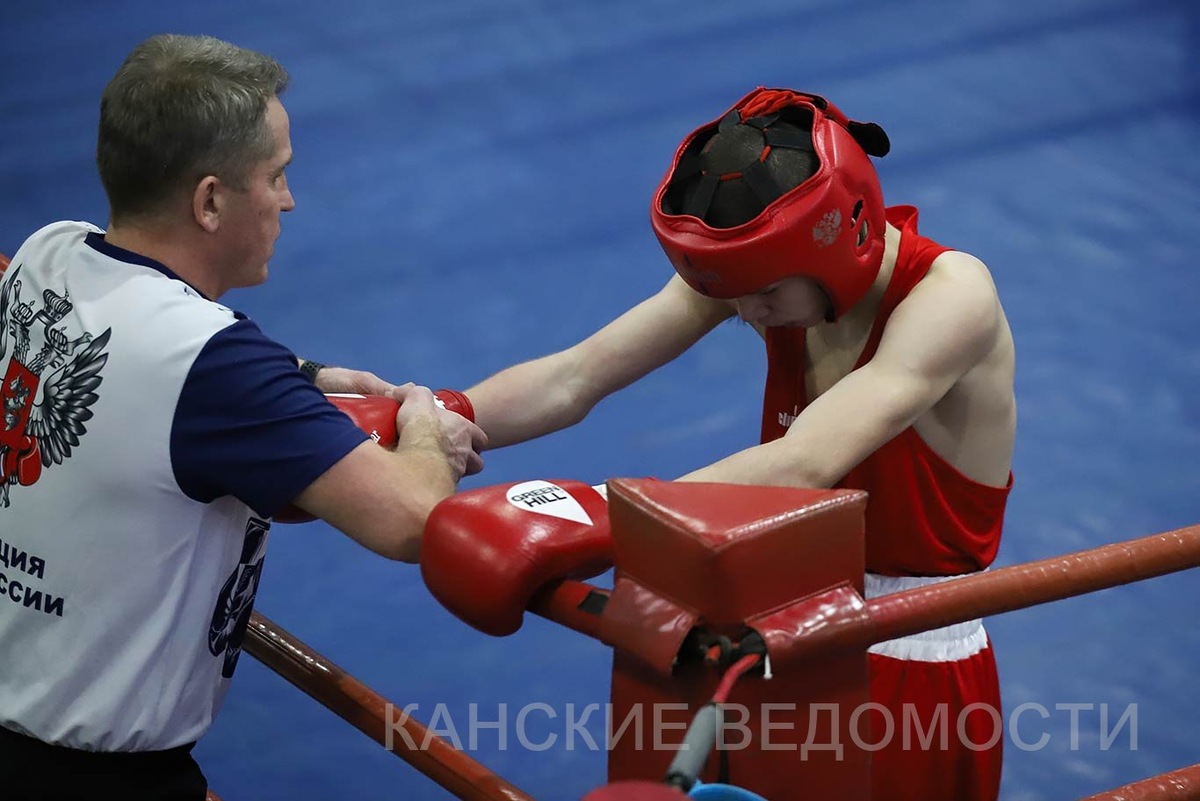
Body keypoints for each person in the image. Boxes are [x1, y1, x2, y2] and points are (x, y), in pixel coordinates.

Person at [451, 88, 1016, 800]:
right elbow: (579, 373)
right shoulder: (770, 272)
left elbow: (802, 462)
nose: (747, 312)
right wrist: (450, 413)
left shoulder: (951, 295)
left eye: (766, 295)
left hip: (905, 656)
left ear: (844, 236)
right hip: (769, 636)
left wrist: (592, 513)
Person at [0, 34, 485, 799]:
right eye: (276, 175)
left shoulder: (44, 254)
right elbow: (412, 519)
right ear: (211, 200)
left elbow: (159, 363)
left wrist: (304, 377)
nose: (289, 199)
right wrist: (427, 427)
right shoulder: (212, 364)